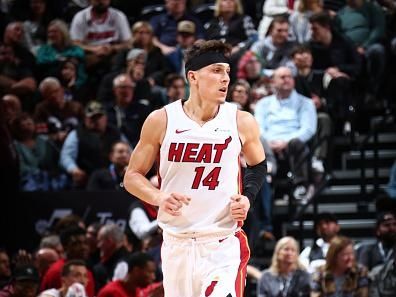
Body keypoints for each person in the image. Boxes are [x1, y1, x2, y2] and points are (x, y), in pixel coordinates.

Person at [123, 40, 267, 296]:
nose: (225, 79)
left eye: (227, 72)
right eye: (216, 70)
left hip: (222, 242)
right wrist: (159, 197)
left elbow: (258, 165)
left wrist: (247, 198)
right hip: (176, 243)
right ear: (193, 77)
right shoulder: (162, 119)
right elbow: (132, 176)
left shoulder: (241, 121)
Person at [254, 66, 317, 200]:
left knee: (297, 143)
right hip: (268, 144)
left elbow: (308, 129)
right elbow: (258, 128)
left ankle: (301, 186)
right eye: (282, 77)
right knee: (257, 140)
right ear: (273, 82)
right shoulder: (263, 104)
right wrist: (270, 143)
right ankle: (265, 181)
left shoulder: (306, 103)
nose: (287, 80)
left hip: (292, 143)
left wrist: (285, 142)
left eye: (289, 77)